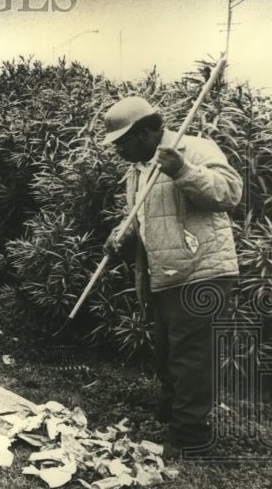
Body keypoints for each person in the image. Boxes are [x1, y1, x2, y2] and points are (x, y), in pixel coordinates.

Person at [101, 95, 242, 453]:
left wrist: (182, 169)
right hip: (164, 273)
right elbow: (142, 218)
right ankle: (170, 414)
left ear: (147, 132)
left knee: (191, 357)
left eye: (122, 142)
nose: (117, 150)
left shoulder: (193, 148)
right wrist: (121, 235)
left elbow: (229, 194)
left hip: (201, 270)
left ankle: (190, 437)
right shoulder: (137, 169)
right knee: (166, 352)